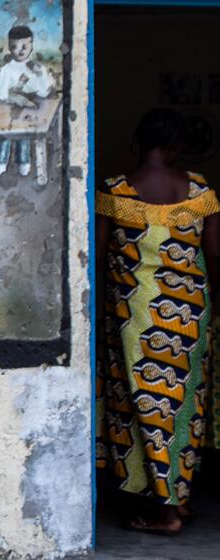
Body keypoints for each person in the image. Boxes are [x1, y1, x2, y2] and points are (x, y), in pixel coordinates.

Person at [97, 107, 219, 535]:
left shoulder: (115, 192)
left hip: (134, 319)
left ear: (140, 141)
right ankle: (177, 503)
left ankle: (164, 513)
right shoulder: (201, 192)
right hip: (190, 320)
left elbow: (95, 261)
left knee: (142, 413)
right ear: (175, 145)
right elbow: (216, 256)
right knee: (181, 410)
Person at [0, 25, 54, 178]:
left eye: (24, 46)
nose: (20, 50)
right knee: (5, 132)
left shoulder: (38, 67)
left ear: (31, 45)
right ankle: (1, 162)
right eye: (15, 47)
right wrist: (17, 91)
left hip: (32, 109)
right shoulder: (7, 70)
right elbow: (2, 94)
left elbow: (44, 91)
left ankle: (23, 161)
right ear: (9, 47)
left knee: (25, 133)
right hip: (11, 108)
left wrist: (40, 75)